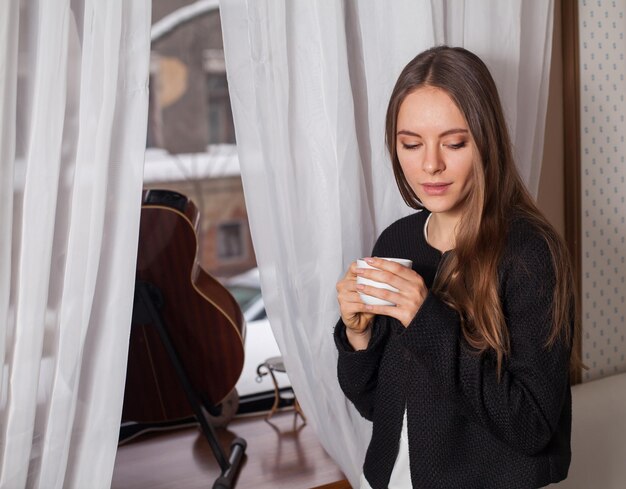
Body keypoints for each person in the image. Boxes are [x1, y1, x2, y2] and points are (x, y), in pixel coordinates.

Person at [334, 46, 581, 489]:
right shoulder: (397, 242)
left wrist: (425, 317)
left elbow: (531, 428)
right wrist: (359, 335)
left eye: (454, 142)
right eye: (411, 144)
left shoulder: (529, 254)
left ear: (486, 140)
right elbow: (379, 405)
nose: (430, 164)